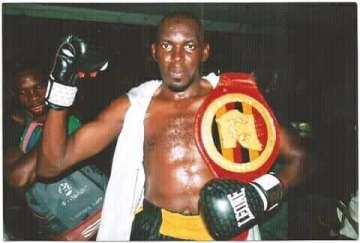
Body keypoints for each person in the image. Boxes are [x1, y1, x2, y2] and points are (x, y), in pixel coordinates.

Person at [37, 12, 313, 240]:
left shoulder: (234, 100)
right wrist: (62, 85)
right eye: (167, 45)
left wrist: (262, 194)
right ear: (154, 52)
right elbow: (51, 164)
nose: (177, 58)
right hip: (161, 233)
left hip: (229, 236)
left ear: (205, 52)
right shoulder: (135, 106)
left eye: (189, 46)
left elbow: (302, 159)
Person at [4, 67, 108, 240]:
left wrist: (55, 118)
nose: (33, 96)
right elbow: (18, 178)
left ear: (52, 86)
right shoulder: (16, 132)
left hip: (100, 204)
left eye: (39, 87)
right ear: (16, 96)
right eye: (24, 92)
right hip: (64, 223)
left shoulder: (72, 116)